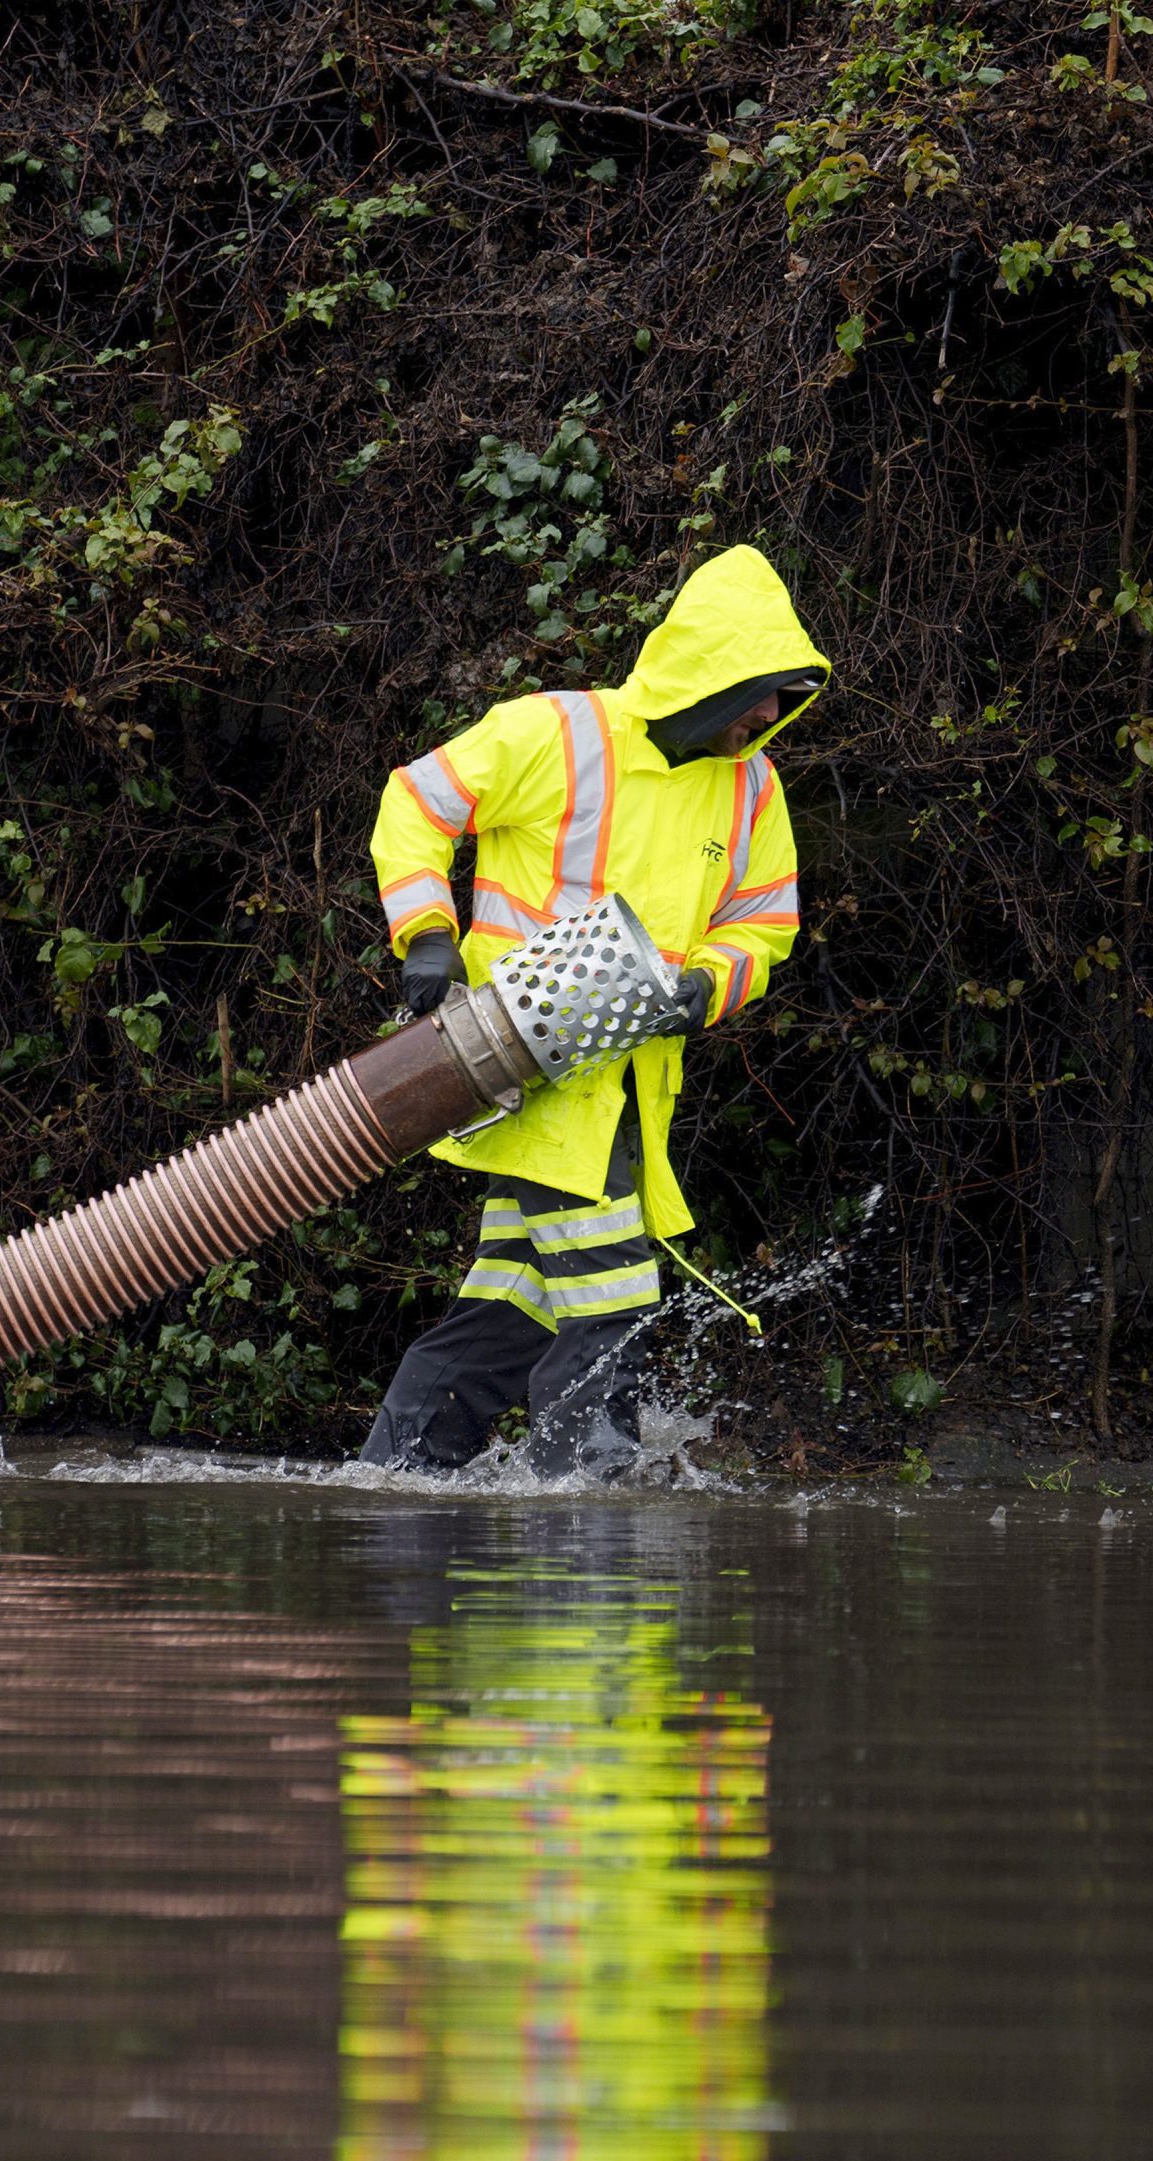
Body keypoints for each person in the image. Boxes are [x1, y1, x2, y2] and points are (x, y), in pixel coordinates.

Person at [354, 543, 826, 1475]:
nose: (771, 714)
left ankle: (392, 1491)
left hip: (626, 1093)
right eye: (762, 689)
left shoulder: (753, 790)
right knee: (611, 1299)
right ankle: (593, 1514)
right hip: (521, 1074)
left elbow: (764, 924)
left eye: (785, 694)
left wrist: (706, 988)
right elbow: (415, 803)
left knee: (508, 1316)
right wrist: (428, 935)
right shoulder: (555, 734)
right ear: (708, 675)